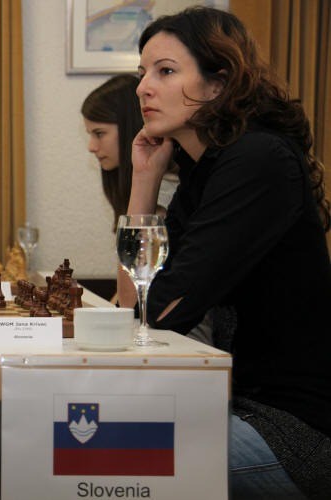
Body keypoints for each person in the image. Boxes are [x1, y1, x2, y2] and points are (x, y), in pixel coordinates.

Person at [121, 7, 331, 499]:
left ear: (218, 84)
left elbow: (158, 311)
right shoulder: (205, 172)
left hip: (294, 428)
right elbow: (134, 301)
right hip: (235, 405)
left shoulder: (257, 159)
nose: (143, 87)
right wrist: (144, 181)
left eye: (165, 71)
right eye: (142, 73)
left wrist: (146, 305)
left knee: (97, 456)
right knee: (83, 445)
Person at [81, 73, 178, 226]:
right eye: (90, 134)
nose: (91, 147)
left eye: (99, 134)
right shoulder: (129, 183)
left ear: (129, 128)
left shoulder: (162, 192)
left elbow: (136, 242)